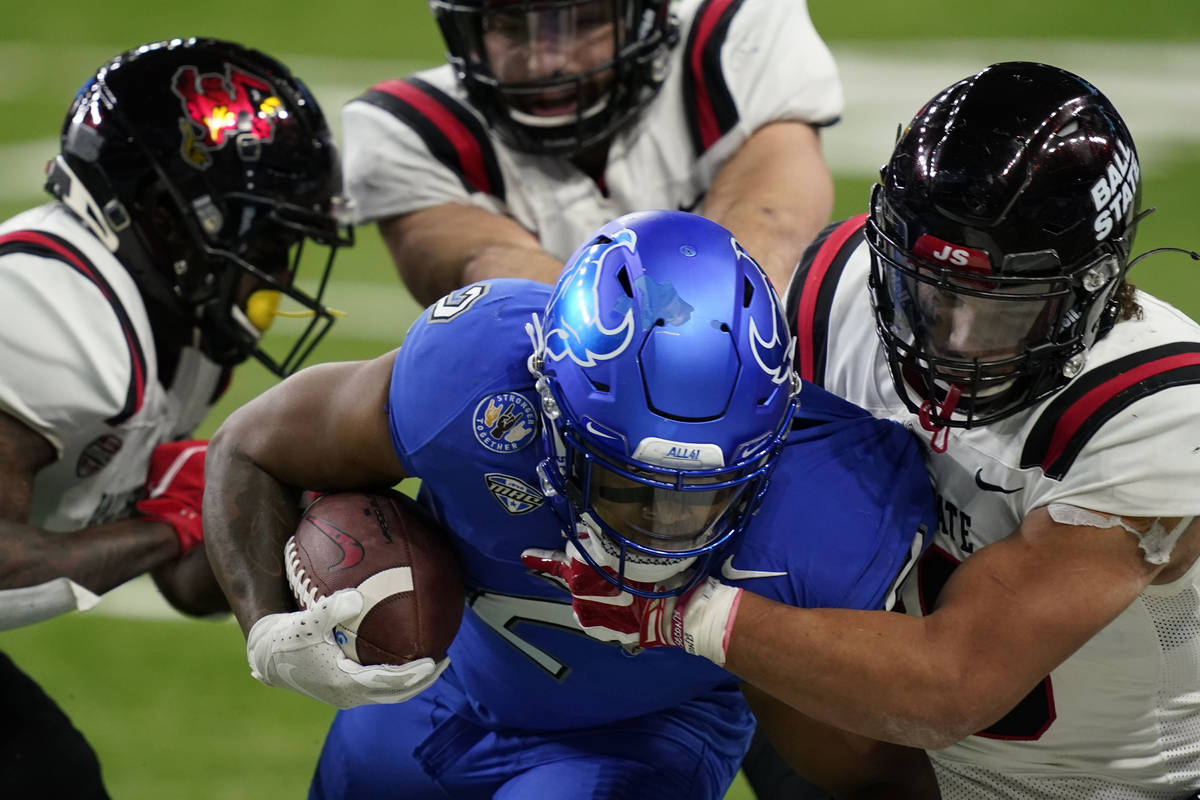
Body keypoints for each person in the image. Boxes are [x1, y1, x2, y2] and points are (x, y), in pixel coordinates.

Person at [531, 63, 1200, 798]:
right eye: (927, 293)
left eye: (1003, 309)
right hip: (849, 737)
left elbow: (950, 686)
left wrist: (678, 614)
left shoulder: (1159, 415)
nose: (955, 341)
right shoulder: (833, 284)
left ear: (1091, 291)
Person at [203, 209, 941, 798]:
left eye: (704, 495)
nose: (660, 525)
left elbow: (859, 766)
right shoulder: (475, 385)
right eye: (627, 486)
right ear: (551, 412)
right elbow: (251, 446)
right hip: (437, 686)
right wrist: (265, 625)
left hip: (642, 738)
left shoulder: (833, 503)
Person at [0, 37, 351, 797]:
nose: (281, 273)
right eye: (267, 236)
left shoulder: (180, 333)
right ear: (162, 217)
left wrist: (267, 519)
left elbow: (184, 586)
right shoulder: (48, 321)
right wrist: (169, 522)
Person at [341, 0, 841, 304]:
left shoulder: (732, 38)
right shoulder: (408, 127)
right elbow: (491, 267)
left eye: (584, 21)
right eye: (512, 25)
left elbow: (771, 223)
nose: (547, 60)